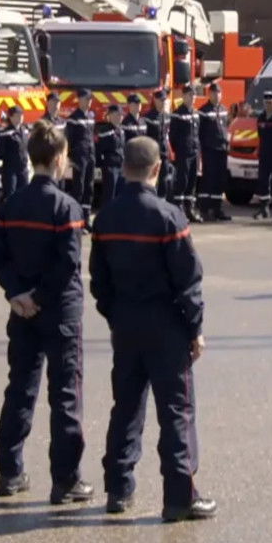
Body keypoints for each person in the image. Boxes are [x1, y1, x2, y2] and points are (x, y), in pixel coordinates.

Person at [90, 136, 216, 522]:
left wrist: (115, 315)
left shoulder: (106, 217)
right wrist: (194, 328)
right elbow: (188, 281)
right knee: (176, 411)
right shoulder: (169, 216)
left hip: (126, 324)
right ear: (157, 169)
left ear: (123, 167)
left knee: (125, 407)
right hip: (167, 327)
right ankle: (179, 497)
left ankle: (118, 488)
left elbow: (99, 281)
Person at [0, 120, 93, 503]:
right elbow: (67, 265)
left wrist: (19, 294)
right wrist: (40, 297)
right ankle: (65, 479)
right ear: (61, 157)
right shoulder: (67, 207)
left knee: (20, 388)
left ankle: (10, 471)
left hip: (23, 311)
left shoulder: (11, 203)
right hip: (59, 311)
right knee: (65, 395)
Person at [197, 81, 231, 222]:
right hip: (209, 150)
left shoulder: (224, 109)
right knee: (209, 180)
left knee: (220, 180)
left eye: (218, 93)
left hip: (221, 150)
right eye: (213, 93)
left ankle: (218, 209)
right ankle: (205, 209)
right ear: (209, 94)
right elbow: (199, 133)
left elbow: (226, 128)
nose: (216, 95)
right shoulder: (203, 111)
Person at [65, 88, 98, 228]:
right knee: (79, 187)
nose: (89, 102)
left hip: (90, 156)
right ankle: (76, 218)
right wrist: (71, 158)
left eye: (90, 99)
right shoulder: (73, 118)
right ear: (79, 100)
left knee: (89, 187)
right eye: (86, 99)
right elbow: (69, 139)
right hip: (79, 157)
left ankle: (86, 218)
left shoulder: (91, 115)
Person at [170, 84, 201, 222]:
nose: (192, 98)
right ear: (183, 96)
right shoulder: (178, 113)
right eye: (189, 95)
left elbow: (197, 134)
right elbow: (173, 136)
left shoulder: (195, 113)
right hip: (183, 153)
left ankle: (190, 209)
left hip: (194, 152)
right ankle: (179, 209)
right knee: (182, 181)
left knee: (192, 182)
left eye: (193, 95)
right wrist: (179, 150)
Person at [0, 105, 30, 205]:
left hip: (23, 168)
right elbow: (0, 152)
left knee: (24, 193)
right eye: (17, 115)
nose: (20, 117)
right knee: (10, 194)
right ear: (11, 117)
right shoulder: (5, 133)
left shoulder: (25, 130)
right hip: (10, 169)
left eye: (21, 115)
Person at [144, 90, 172, 199]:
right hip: (152, 153)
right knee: (151, 179)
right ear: (155, 100)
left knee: (164, 178)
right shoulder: (148, 117)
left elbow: (169, 134)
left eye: (164, 100)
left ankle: (162, 200)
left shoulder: (167, 116)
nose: (163, 102)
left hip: (164, 152)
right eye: (161, 100)